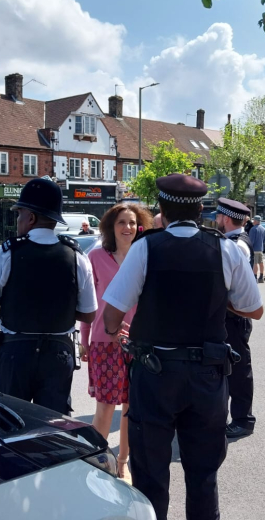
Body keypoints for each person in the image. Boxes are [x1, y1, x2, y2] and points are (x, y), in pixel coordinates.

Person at [102, 174, 263, 520]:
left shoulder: (147, 246)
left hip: (155, 375)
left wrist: (117, 331)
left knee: (150, 476)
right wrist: (220, 299)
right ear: (201, 210)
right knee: (203, 475)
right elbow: (254, 308)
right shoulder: (226, 248)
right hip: (207, 376)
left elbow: (112, 314)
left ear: (161, 209)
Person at [0, 178, 97, 415]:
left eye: (19, 214)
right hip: (58, 355)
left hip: (16, 355)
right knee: (51, 430)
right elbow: (89, 314)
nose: (17, 220)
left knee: (10, 424)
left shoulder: (7, 252)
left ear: (30, 217)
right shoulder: (76, 256)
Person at [80, 203, 153, 482]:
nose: (128, 228)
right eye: (122, 222)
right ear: (112, 226)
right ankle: (98, 463)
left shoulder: (144, 256)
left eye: (133, 223)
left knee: (131, 409)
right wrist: (84, 339)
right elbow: (88, 303)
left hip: (138, 343)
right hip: (104, 342)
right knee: (105, 407)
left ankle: (122, 463)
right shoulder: (96, 256)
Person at [215, 198, 258, 440]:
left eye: (218, 217)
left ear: (226, 218)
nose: (216, 220)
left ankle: (243, 420)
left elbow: (229, 284)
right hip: (231, 315)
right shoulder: (232, 241)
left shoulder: (237, 245)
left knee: (239, 370)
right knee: (230, 368)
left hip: (234, 315)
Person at [249, 216, 265, 283]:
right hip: (260, 248)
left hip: (254, 249)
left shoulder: (253, 229)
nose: (253, 222)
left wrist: (250, 247)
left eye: (254, 220)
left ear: (256, 221)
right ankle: (261, 276)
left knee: (255, 263)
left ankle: (255, 277)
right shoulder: (263, 229)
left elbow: (251, 241)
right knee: (261, 262)